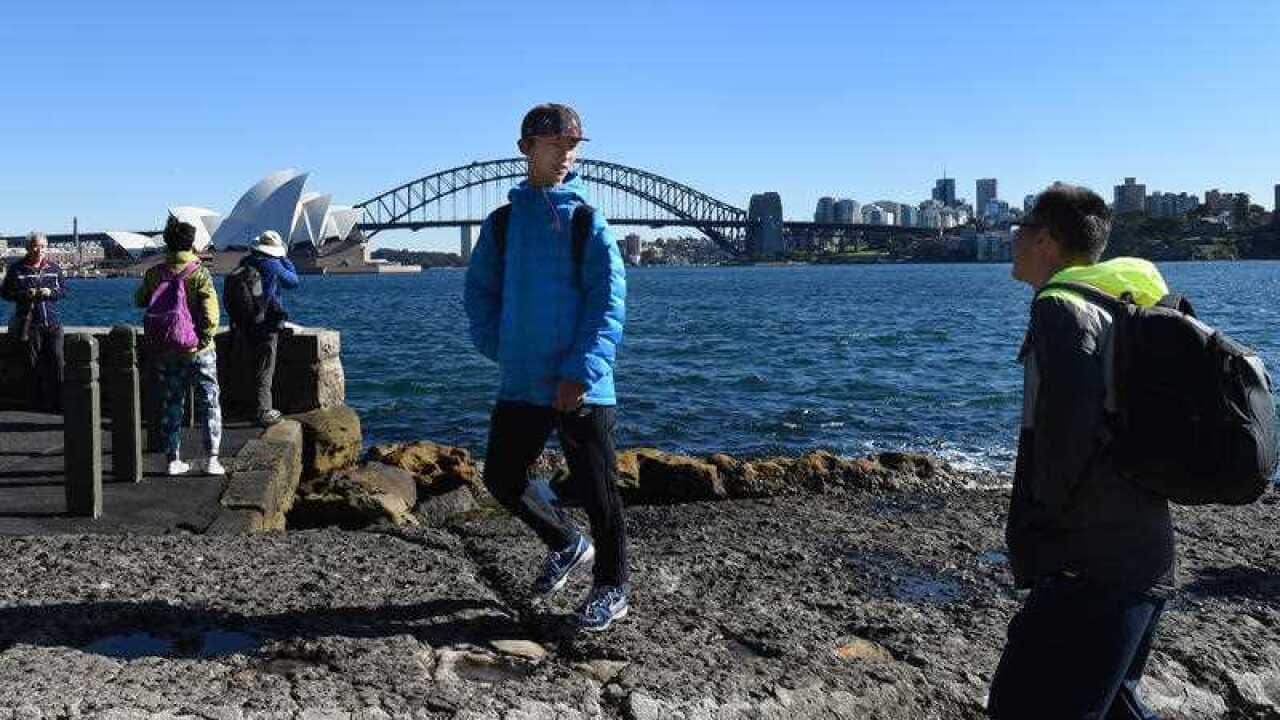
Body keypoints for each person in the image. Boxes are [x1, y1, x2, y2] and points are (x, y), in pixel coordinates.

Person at [987, 184, 1175, 719]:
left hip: (1090, 563)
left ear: (1044, 239)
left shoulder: (1060, 309)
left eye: (1019, 229)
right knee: (1112, 705)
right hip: (1143, 547)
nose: (1012, 240)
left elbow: (1067, 428)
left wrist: (1041, 527)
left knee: (1019, 707)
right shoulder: (1126, 301)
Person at [464, 103, 629, 632]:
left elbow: (609, 303)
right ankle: (564, 541)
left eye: (573, 146)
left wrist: (581, 370)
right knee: (502, 477)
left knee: (600, 490)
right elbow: (480, 295)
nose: (566, 155)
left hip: (581, 384)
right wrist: (502, 347)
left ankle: (612, 588)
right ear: (526, 149)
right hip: (522, 378)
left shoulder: (586, 221)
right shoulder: (504, 224)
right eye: (555, 144)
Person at [135, 216, 224, 477]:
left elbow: (140, 300)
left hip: (167, 350)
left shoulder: (155, 273)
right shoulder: (200, 273)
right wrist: (204, 339)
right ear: (191, 243)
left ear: (167, 243)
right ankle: (212, 459)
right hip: (198, 350)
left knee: (172, 402)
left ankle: (173, 459)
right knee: (210, 401)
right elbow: (210, 315)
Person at [231, 230, 299, 426]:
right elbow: (293, 281)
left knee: (246, 364)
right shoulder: (273, 264)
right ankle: (263, 411)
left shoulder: (245, 263)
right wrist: (285, 258)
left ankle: (244, 407)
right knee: (265, 367)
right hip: (266, 323)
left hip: (244, 322)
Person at [0, 232, 66, 412]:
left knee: (58, 361)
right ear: (28, 247)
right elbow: (5, 293)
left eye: (43, 246)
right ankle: (36, 404)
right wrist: (24, 295)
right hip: (30, 324)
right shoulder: (17, 269)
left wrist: (50, 293)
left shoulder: (54, 268)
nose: (39, 250)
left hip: (52, 322)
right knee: (32, 364)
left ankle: (58, 402)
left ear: (46, 248)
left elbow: (63, 291)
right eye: (35, 246)